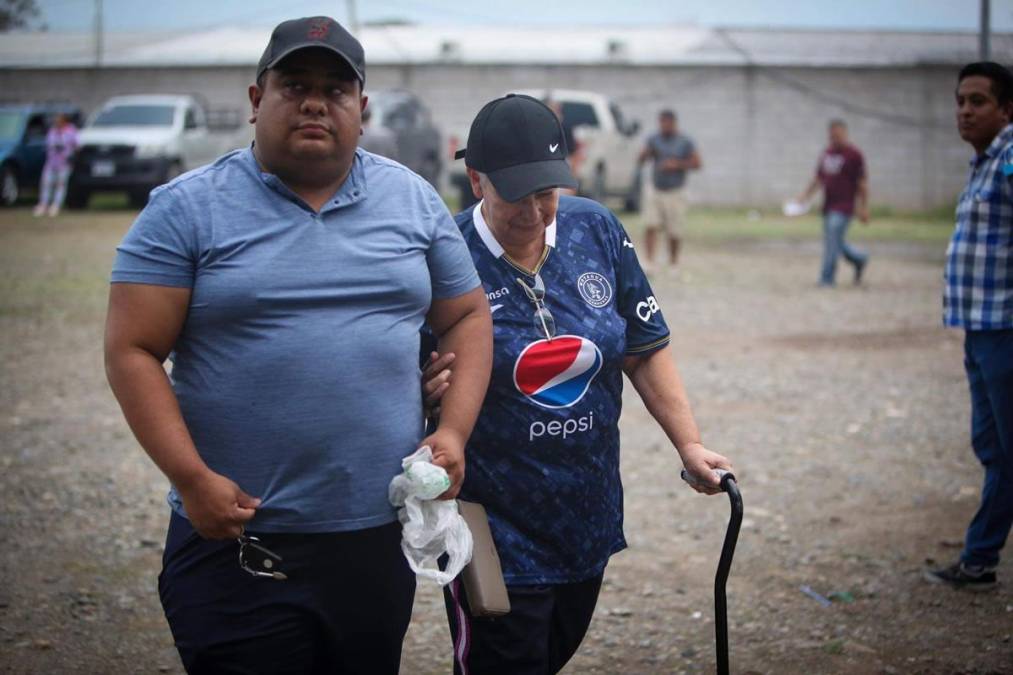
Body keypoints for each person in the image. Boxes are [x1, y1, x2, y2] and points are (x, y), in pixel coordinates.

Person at [103, 16, 492, 673]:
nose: (316, 102)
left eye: (336, 90)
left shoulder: (412, 201)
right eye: (295, 85)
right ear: (257, 100)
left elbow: (467, 316)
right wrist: (191, 479)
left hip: (374, 536)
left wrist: (452, 432)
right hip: (237, 538)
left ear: (361, 110)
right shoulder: (184, 209)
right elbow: (132, 349)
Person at [426, 94, 732, 674]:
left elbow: (644, 348)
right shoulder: (445, 252)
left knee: (553, 651)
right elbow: (408, 372)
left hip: (583, 514)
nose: (536, 211)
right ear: (476, 179)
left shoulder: (595, 228)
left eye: (547, 192)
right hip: (490, 524)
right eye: (517, 194)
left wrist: (689, 444)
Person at [925, 61, 1013, 592]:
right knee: (995, 450)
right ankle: (979, 560)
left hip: (1006, 330)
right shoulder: (985, 163)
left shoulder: (1009, 161)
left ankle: (979, 556)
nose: (964, 110)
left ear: (1007, 110)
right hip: (981, 331)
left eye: (978, 101)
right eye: (960, 100)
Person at [795, 119, 870, 287]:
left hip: (844, 207)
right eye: (831, 136)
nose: (834, 139)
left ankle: (827, 278)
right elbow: (818, 178)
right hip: (828, 206)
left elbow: (863, 183)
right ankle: (860, 259)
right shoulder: (827, 153)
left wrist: (863, 208)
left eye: (837, 135)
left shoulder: (854, 155)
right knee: (835, 242)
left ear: (845, 134)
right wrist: (804, 196)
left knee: (832, 241)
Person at [636, 109, 701, 268]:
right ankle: (649, 261)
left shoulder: (685, 141)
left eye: (666, 123)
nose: (663, 126)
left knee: (674, 230)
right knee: (651, 224)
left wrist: (677, 164)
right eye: (661, 123)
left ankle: (673, 261)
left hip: (676, 190)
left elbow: (697, 163)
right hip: (656, 188)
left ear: (673, 123)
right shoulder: (653, 139)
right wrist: (645, 154)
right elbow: (641, 160)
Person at [33, 113, 78, 217]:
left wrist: (70, 154)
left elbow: (77, 145)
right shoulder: (52, 131)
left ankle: (56, 205)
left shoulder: (71, 131)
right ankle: (43, 205)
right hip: (51, 162)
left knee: (60, 185)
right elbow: (48, 144)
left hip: (64, 163)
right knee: (46, 184)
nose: (57, 122)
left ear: (65, 121)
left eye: (59, 120)